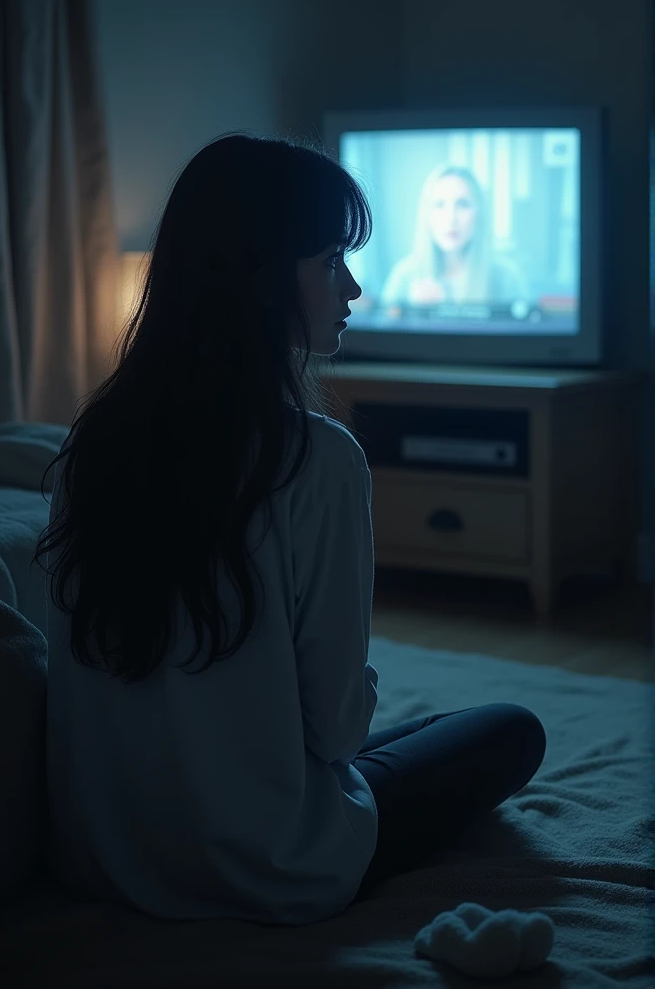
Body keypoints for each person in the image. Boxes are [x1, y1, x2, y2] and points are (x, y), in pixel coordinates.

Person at [35, 133, 546, 928]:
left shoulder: (88, 445)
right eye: (330, 262)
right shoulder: (317, 459)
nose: (354, 288)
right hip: (273, 869)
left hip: (101, 859)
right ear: (261, 278)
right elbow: (338, 730)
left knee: (427, 732)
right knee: (509, 730)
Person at [381, 162, 528, 311]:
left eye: (462, 204)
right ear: (427, 215)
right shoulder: (404, 276)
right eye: (439, 205)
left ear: (479, 213)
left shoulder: (508, 278)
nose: (451, 218)